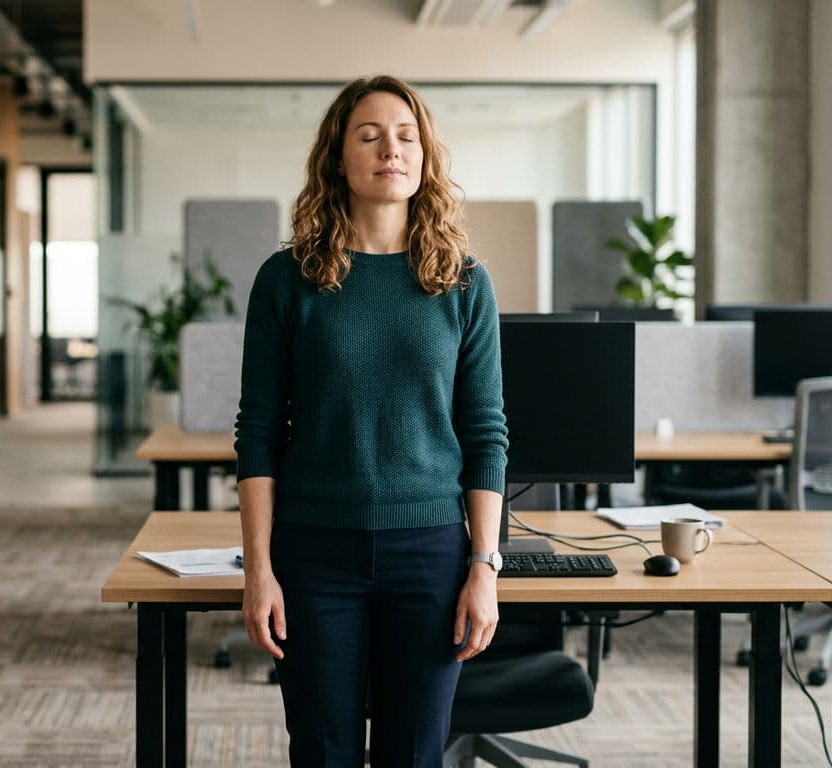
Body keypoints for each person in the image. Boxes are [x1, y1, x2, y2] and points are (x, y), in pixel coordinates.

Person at [233, 75, 510, 767]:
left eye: (407, 135)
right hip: (314, 552)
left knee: (413, 755)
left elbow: (485, 434)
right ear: (339, 157)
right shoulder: (286, 278)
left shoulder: (464, 283)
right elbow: (258, 434)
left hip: (431, 554)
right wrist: (258, 570)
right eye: (370, 135)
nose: (392, 148)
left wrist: (484, 566)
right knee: (322, 752)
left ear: (426, 157)